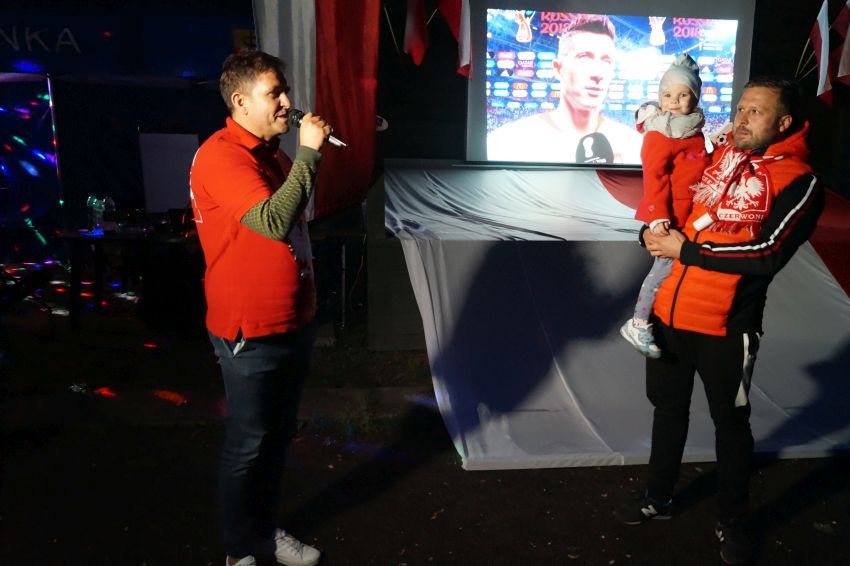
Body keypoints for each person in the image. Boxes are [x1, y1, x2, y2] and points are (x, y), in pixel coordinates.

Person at [615, 77, 825, 565]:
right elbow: (682, 207)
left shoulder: (799, 179)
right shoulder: (721, 155)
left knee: (730, 426)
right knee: (667, 412)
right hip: (668, 314)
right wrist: (652, 233)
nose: (741, 119)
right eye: (740, 108)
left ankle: (732, 521)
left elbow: (767, 254)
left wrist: (685, 251)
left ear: (784, 122)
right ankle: (658, 497)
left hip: (726, 328)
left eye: (756, 112)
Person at [189, 50, 329, 566]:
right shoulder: (222, 155)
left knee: (276, 440)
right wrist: (309, 153)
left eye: (285, 90)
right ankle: (237, 551)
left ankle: (265, 533)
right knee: (248, 444)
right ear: (241, 101)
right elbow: (272, 221)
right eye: (275, 93)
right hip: (249, 328)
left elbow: (296, 218)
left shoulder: (273, 154)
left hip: (293, 319)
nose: (287, 102)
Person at [619, 54, 710, 358]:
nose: (674, 101)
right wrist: (657, 215)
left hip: (690, 214)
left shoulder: (693, 131)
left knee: (675, 271)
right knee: (662, 270)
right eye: (667, 95)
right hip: (669, 217)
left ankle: (657, 320)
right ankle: (639, 323)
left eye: (683, 95)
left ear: (695, 98)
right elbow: (654, 176)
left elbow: (698, 166)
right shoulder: (660, 133)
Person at [487, 14, 643, 164]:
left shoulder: (633, 146)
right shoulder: (508, 142)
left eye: (606, 61)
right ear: (558, 68)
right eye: (584, 58)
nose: (597, 74)